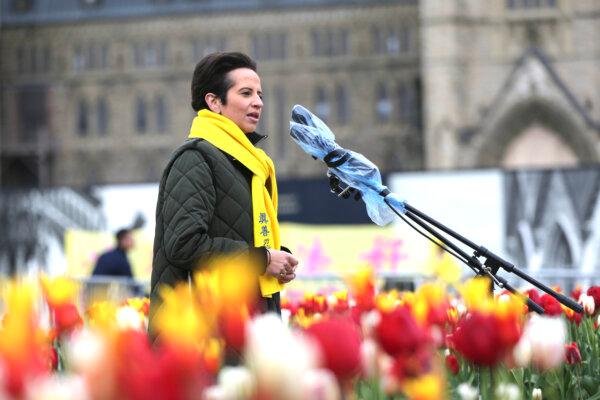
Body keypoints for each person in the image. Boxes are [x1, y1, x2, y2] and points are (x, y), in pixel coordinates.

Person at [148, 52, 298, 342]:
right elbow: (185, 244)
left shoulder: (248, 162)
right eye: (246, 93)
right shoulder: (195, 159)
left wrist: (277, 257)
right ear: (214, 102)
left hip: (243, 322)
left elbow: (235, 232)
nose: (259, 102)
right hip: (206, 330)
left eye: (259, 94)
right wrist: (262, 259)